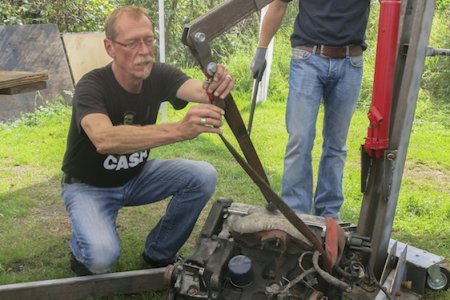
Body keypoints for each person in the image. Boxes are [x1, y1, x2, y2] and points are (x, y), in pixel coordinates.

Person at [61, 5, 235, 276]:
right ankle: (81, 248)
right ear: (110, 48)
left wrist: (217, 83)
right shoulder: (91, 86)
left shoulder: (159, 74)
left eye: (149, 40)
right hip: (88, 186)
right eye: (132, 43)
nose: (144, 51)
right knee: (101, 259)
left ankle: (159, 252)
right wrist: (179, 129)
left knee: (203, 176)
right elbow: (103, 138)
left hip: (136, 176)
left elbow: (199, 91)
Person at [251, 0, 370, 219]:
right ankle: (296, 214)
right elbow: (278, 5)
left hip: (350, 61)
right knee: (300, 139)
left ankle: (329, 214)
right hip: (308, 58)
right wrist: (261, 50)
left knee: (337, 145)